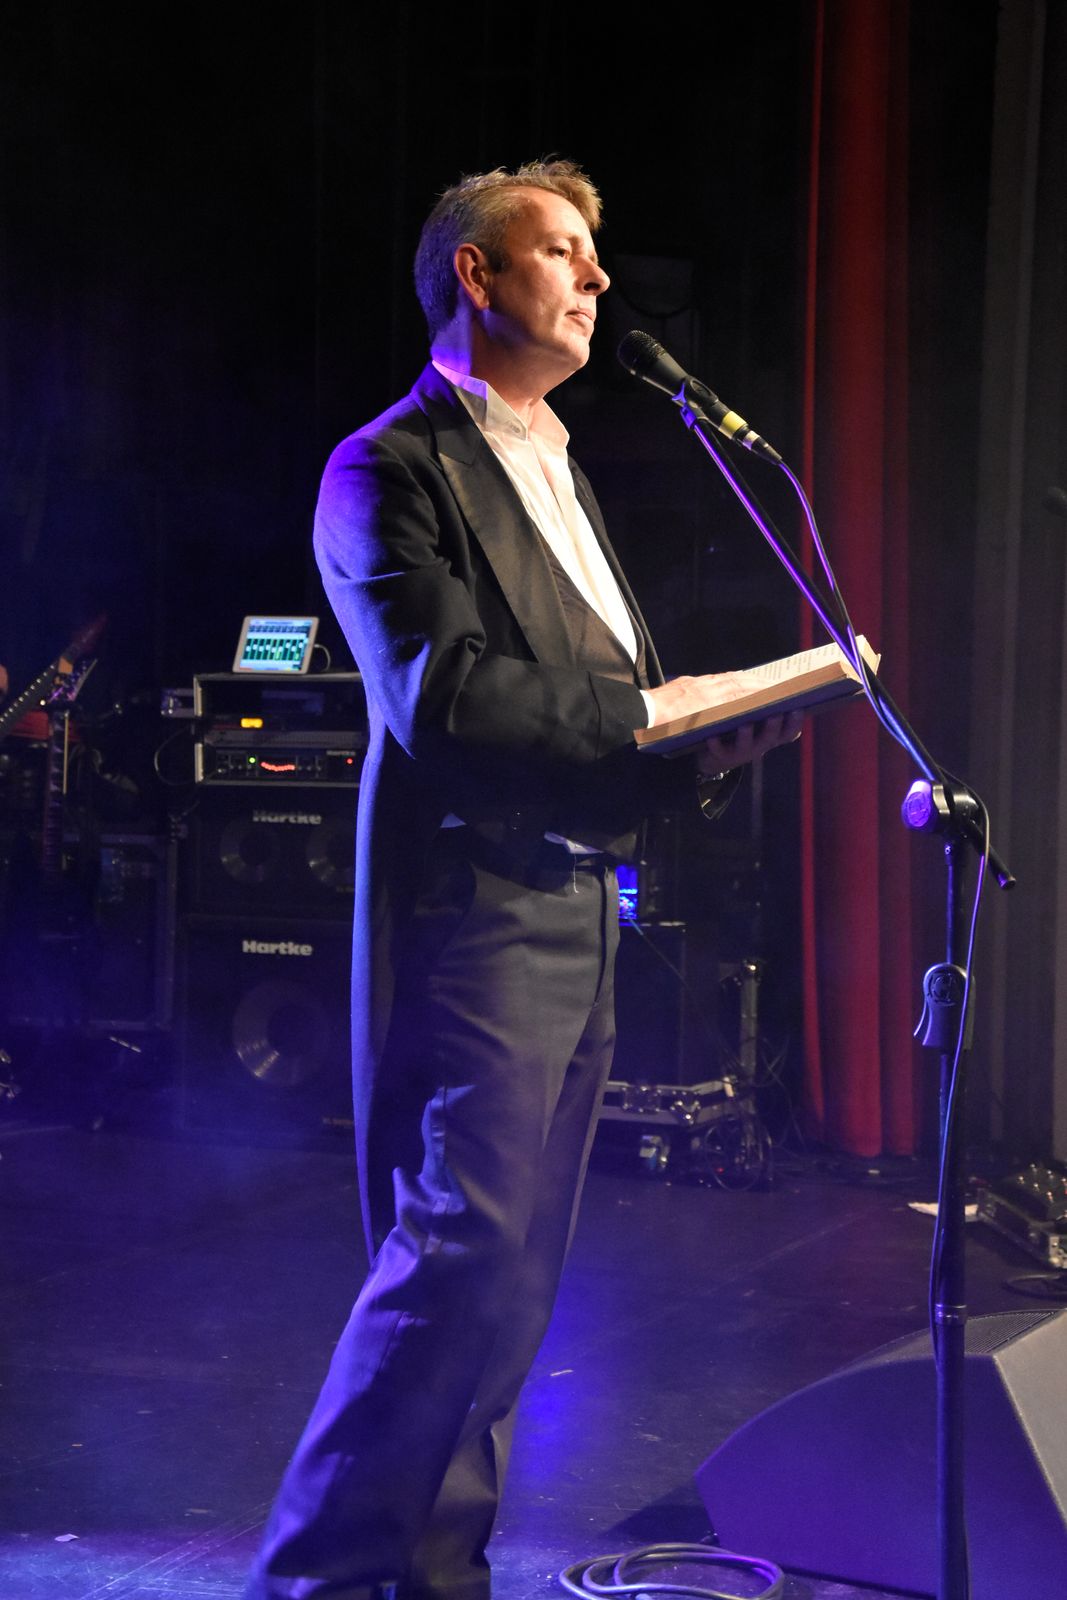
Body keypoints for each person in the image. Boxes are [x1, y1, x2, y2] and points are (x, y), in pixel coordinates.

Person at [244, 159, 799, 1600]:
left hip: (578, 904)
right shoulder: (389, 468)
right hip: (476, 913)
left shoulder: (559, 465)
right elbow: (445, 695)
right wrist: (653, 714)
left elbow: (595, 704)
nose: (598, 277)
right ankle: (312, 1580)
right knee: (456, 1261)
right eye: (562, 250)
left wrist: (709, 743)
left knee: (511, 1286)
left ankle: (434, 1574)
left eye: (594, 253)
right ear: (476, 274)